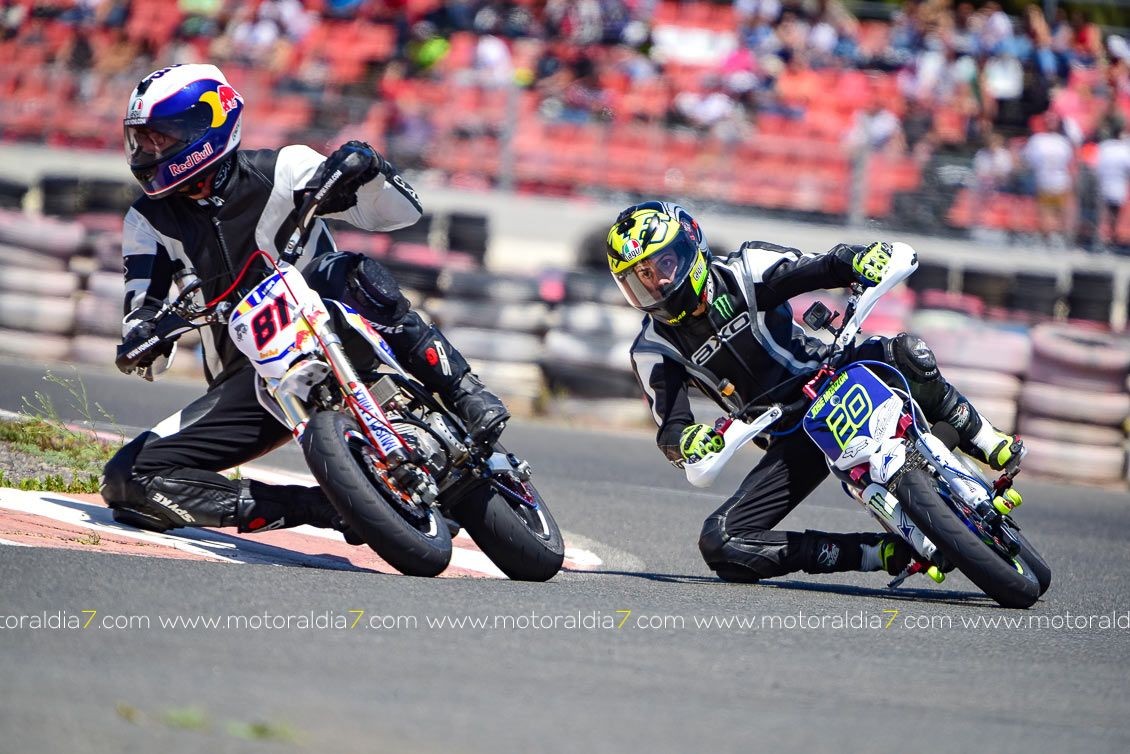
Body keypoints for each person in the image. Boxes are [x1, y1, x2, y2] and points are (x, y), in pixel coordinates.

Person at [101, 63, 509, 537]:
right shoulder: (146, 219)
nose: (149, 151)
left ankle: (464, 390)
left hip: (332, 323)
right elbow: (141, 313)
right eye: (142, 139)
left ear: (208, 125)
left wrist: (369, 169)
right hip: (255, 383)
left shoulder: (285, 168)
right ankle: (328, 507)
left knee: (345, 268)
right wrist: (144, 339)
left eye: (162, 137)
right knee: (127, 479)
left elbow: (399, 214)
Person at [606, 201, 1026, 583]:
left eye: (665, 263)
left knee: (904, 352)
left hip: (834, 369)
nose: (659, 282)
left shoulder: (746, 270)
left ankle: (985, 438)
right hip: (790, 430)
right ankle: (877, 554)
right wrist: (687, 442)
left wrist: (858, 259)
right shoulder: (652, 348)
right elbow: (671, 427)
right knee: (722, 541)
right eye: (642, 277)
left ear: (692, 246)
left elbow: (821, 266)